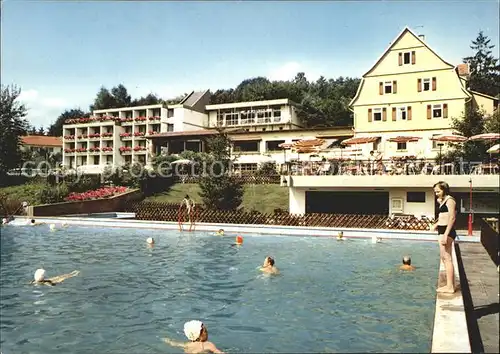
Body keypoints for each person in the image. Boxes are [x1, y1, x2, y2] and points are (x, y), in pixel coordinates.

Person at [432, 181, 457, 294]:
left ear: (444, 190)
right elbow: (443, 216)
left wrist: (446, 234)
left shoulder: (450, 200)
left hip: (447, 231)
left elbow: (452, 218)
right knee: (444, 258)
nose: (436, 193)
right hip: (442, 230)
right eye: (435, 192)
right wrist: (436, 224)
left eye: (438, 191)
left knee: (447, 258)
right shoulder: (443, 201)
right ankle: (451, 284)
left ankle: (450, 286)